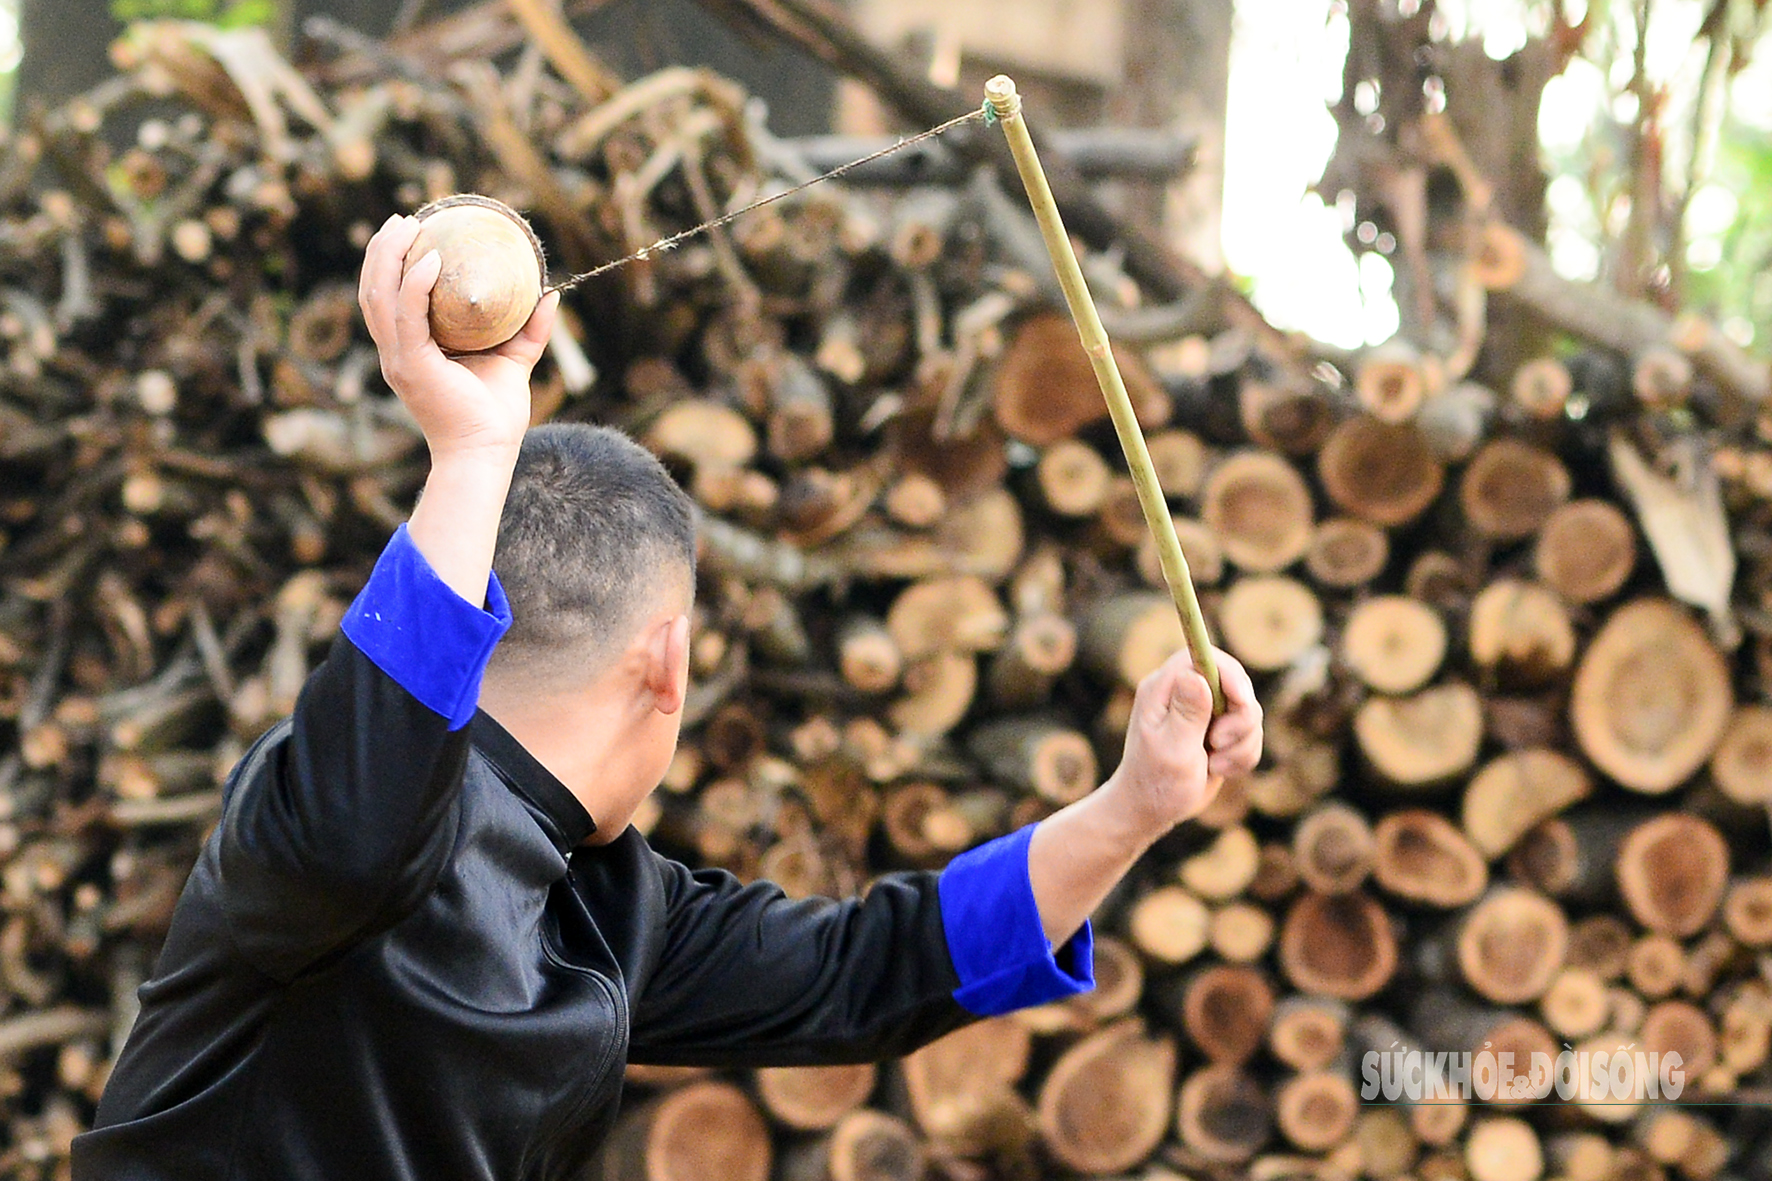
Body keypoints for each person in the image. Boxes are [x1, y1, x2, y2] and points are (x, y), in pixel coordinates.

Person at [72, 215, 1264, 1180]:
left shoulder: (613, 907)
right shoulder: (345, 817)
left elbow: (869, 969)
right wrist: (471, 454)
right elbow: (362, 793)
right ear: (671, 658)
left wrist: (1135, 803)